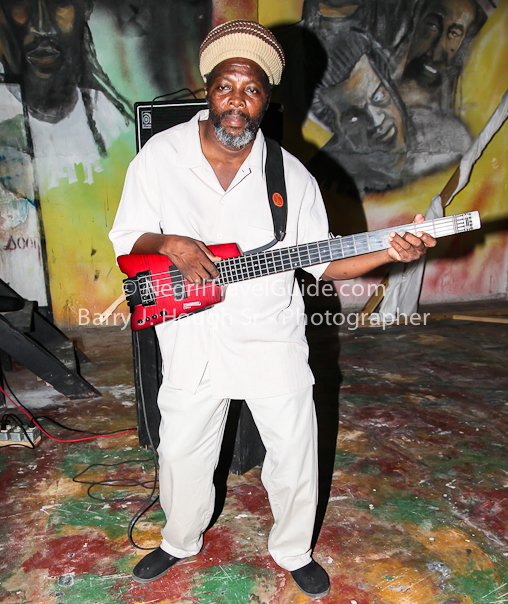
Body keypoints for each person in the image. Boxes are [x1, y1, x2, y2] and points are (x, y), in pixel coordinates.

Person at [109, 20, 435, 599]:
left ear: (265, 99)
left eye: (252, 90)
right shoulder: (161, 155)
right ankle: (179, 540)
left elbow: (325, 263)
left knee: (294, 450)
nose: (237, 102)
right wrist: (170, 244)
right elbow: (126, 237)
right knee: (181, 452)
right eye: (226, 87)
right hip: (191, 337)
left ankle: (293, 550)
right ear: (208, 89)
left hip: (270, 335)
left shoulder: (292, 177)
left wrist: (391, 251)